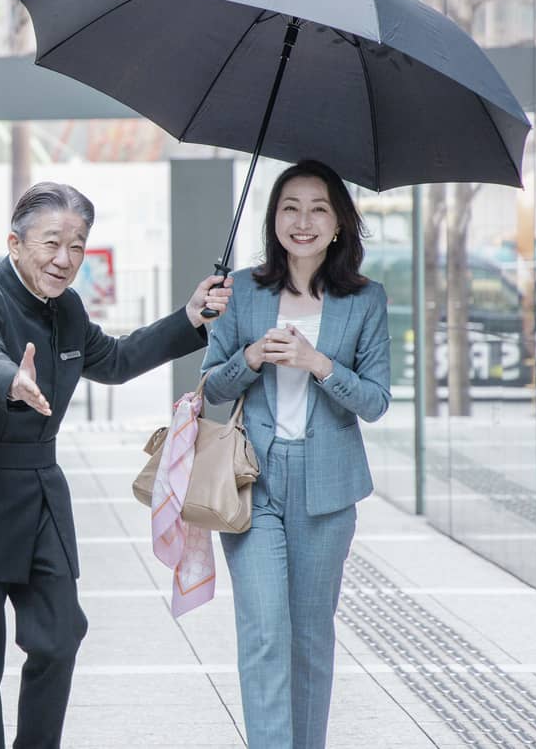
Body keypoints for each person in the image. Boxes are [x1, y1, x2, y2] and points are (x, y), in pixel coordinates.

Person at [0, 181, 229, 749]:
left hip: (37, 498)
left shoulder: (68, 308)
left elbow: (114, 359)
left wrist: (189, 318)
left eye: (77, 246)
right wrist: (10, 379)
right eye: (51, 243)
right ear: (15, 242)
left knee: (60, 635)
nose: (65, 259)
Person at [199, 159, 391, 749]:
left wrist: (319, 364)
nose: (302, 221)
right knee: (263, 630)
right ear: (273, 219)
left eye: (317, 208)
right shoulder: (244, 292)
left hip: (327, 485)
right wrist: (251, 357)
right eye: (290, 207)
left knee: (310, 636)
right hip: (250, 478)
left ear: (338, 224)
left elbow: (377, 401)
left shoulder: (364, 300)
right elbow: (210, 387)